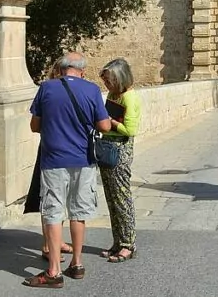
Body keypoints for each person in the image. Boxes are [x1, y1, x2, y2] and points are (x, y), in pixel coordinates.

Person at [24, 52, 111, 289]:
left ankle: (54, 271)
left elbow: (34, 126)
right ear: (81, 71)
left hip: (53, 160)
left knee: (53, 212)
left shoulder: (46, 88)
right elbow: (103, 125)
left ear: (61, 69)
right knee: (78, 211)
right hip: (83, 160)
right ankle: (77, 263)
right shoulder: (92, 90)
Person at [24, 61, 72, 262]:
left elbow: (35, 125)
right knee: (51, 199)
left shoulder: (48, 92)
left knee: (54, 199)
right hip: (56, 152)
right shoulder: (51, 92)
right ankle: (48, 245)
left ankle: (54, 241)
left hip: (51, 150)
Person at [97, 58, 141, 263]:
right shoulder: (114, 95)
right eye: (105, 81)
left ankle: (128, 244)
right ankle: (118, 241)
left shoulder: (129, 98)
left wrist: (110, 122)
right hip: (108, 149)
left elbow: (130, 130)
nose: (107, 85)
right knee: (112, 199)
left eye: (110, 80)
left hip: (120, 151)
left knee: (122, 199)